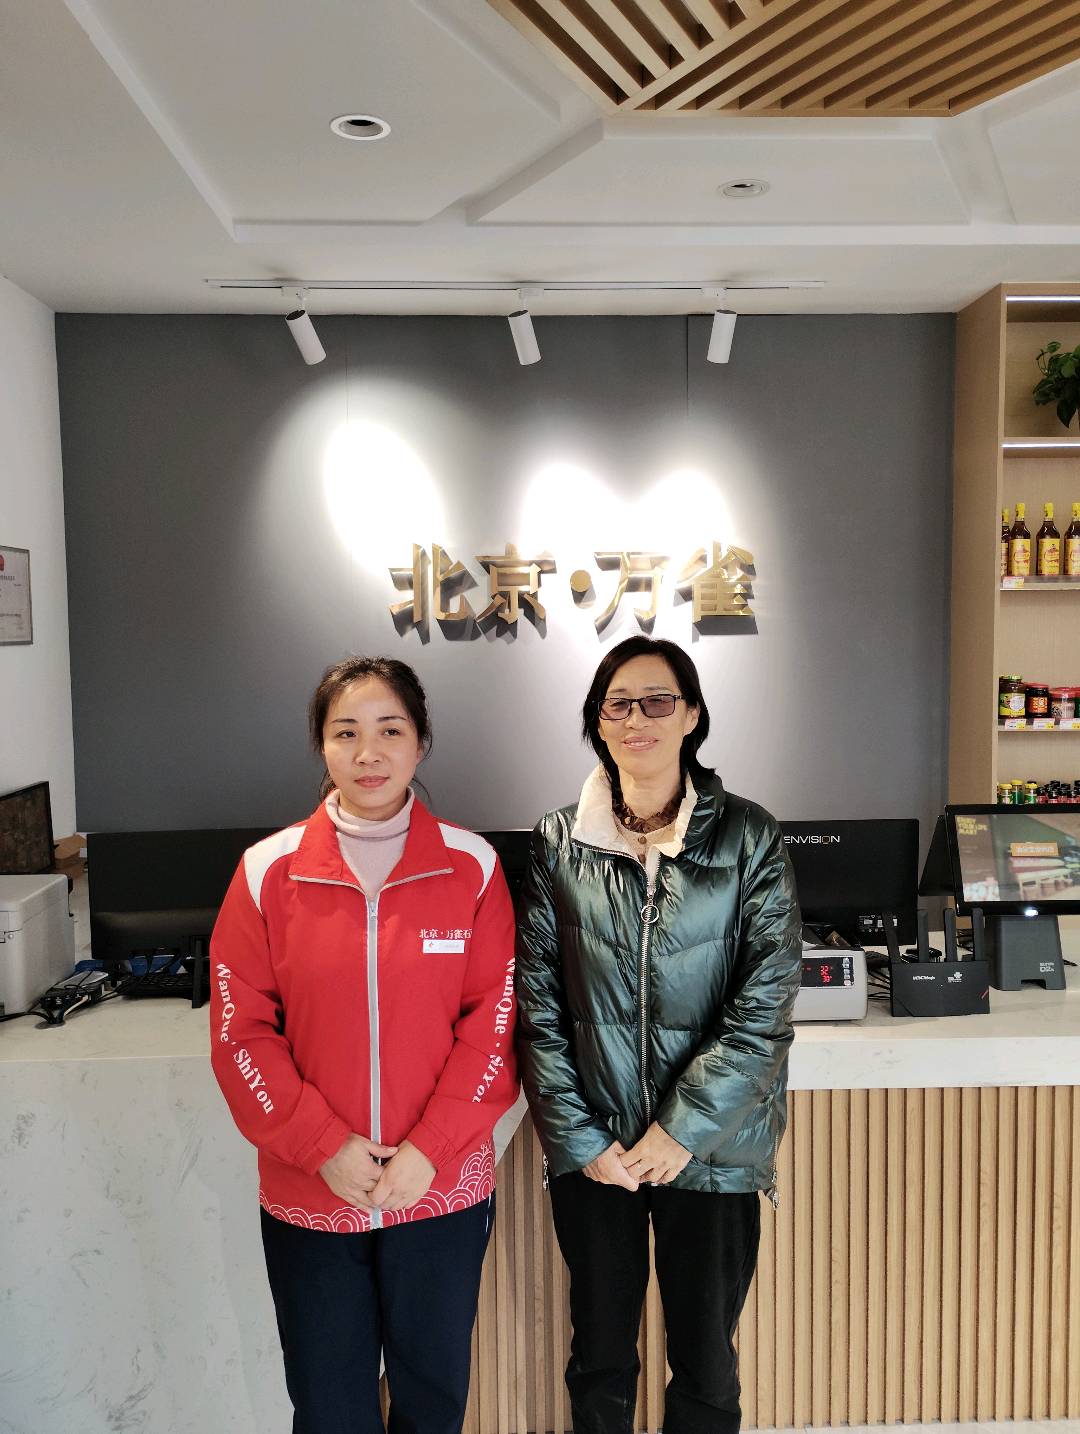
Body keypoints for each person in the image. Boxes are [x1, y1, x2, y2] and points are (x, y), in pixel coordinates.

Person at [210, 655, 519, 1434]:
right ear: (321, 745)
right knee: (328, 1405)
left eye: (390, 731)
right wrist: (324, 1146)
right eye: (346, 732)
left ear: (421, 743)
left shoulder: (474, 868)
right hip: (314, 1189)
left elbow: (493, 1024)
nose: (368, 753)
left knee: (433, 1398)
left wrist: (429, 1151)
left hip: (437, 1188)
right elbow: (241, 1032)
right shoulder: (266, 871)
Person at [515, 635, 801, 1434]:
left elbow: (766, 1002)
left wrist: (682, 1131)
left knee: (706, 1361)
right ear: (597, 722)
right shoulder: (558, 842)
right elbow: (536, 1006)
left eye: (657, 701)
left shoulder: (748, 836)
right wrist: (580, 1139)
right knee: (600, 1353)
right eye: (617, 704)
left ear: (692, 715)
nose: (636, 718)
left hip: (712, 1151)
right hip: (598, 1151)